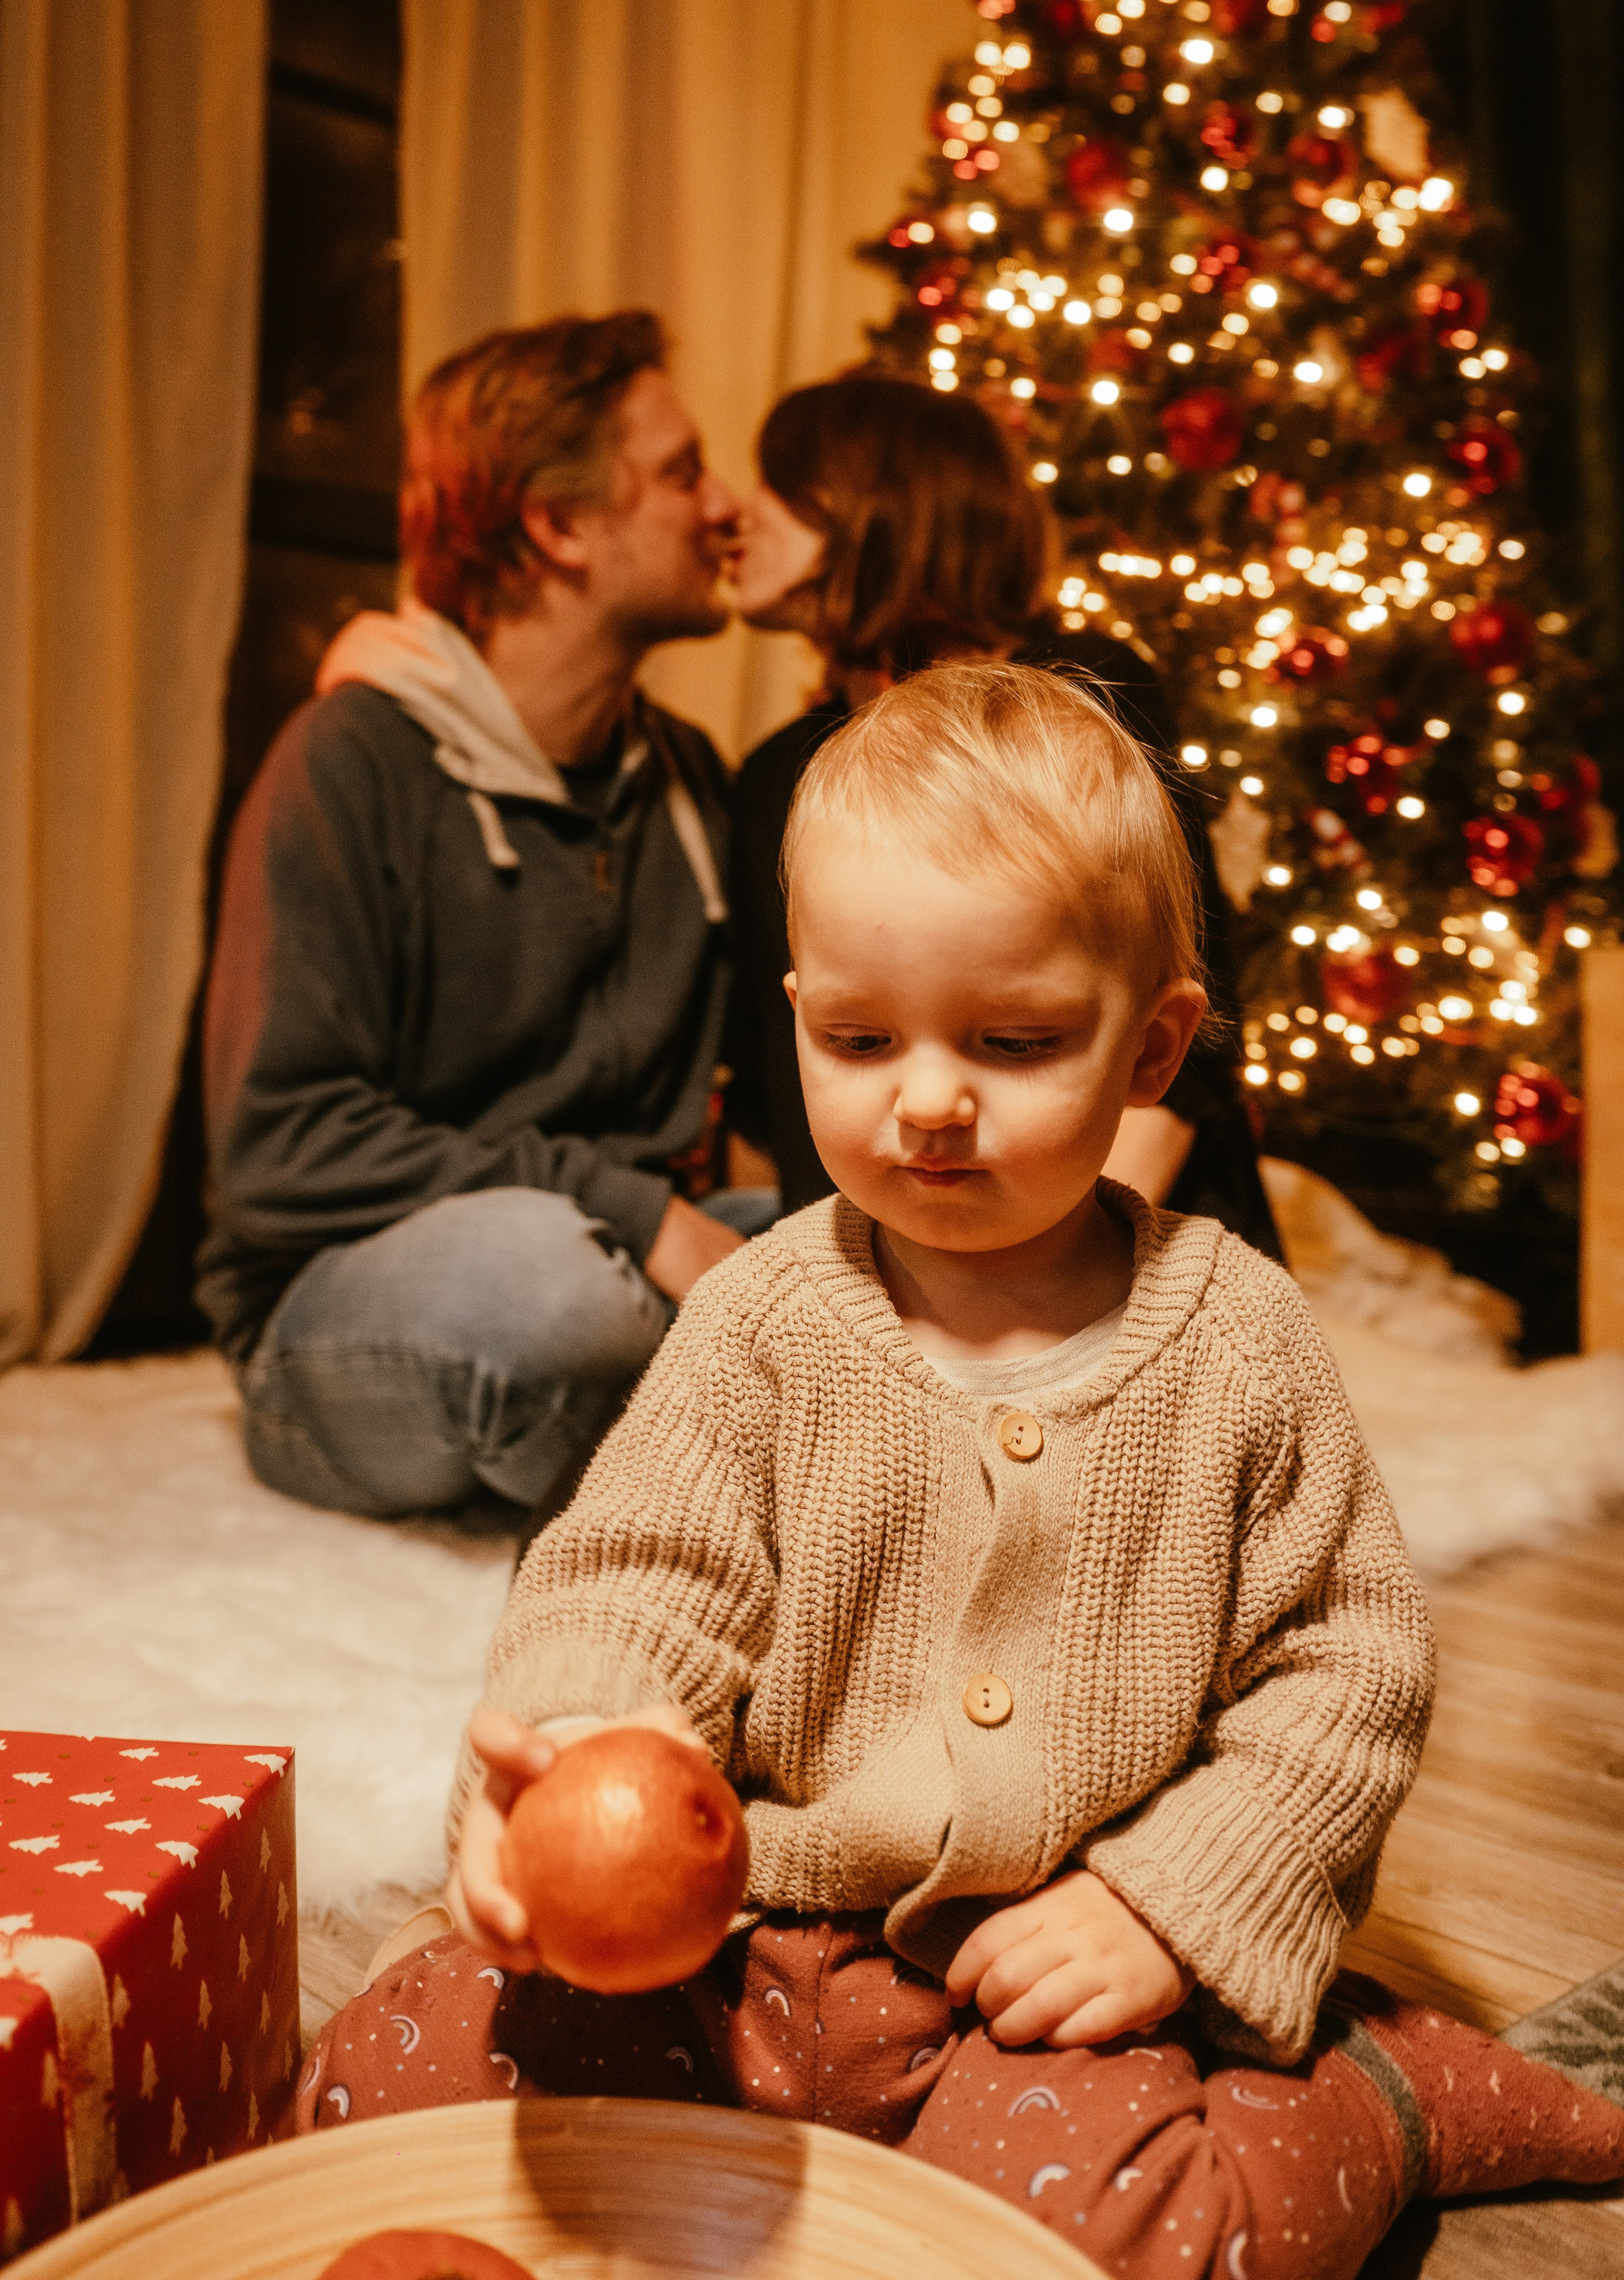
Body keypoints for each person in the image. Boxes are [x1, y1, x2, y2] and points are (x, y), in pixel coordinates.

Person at [292, 666, 1623, 2273]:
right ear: (796, 1017)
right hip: (744, 1947)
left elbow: (1342, 1679)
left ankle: (1376, 2098)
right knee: (385, 2080)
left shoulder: (1240, 1346)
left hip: (1046, 1987)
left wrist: (1164, 1909)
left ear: (1152, 1049)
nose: (924, 1100)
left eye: (1013, 1039)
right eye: (858, 1038)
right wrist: (591, 1751)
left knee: (1120, 2246)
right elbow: (637, 1577)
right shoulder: (764, 1318)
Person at [198, 311, 772, 1524]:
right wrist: (627, 1212)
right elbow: (281, 1152)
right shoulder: (349, 764)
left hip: (629, 1260)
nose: (726, 507)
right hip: (373, 1304)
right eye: (680, 473)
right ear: (558, 526)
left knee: (893, 1256)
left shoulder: (689, 779)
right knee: (555, 1300)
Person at [723, 372, 1281, 1255]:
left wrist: (1021, 1296)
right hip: (877, 1268)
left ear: (881, 507)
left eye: (782, 487)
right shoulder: (774, 778)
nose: (735, 514)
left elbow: (1186, 1058)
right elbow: (781, 1096)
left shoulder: (1088, 695)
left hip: (1120, 1251)